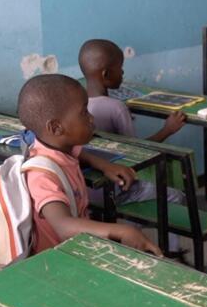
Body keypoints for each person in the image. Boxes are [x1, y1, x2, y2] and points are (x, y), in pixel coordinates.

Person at [18, 74, 163, 258]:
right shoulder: (41, 175)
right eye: (84, 112)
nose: (92, 118)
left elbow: (80, 153)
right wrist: (122, 231)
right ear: (56, 128)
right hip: (59, 260)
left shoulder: (59, 147)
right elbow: (63, 226)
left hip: (78, 246)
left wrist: (104, 165)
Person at [79, 39, 187, 252]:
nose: (123, 74)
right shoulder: (116, 107)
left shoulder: (78, 102)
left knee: (135, 187)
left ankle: (134, 240)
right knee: (176, 196)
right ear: (105, 75)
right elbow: (138, 153)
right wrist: (168, 129)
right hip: (113, 189)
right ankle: (173, 251)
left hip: (86, 190)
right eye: (120, 69)